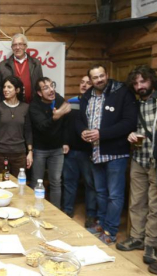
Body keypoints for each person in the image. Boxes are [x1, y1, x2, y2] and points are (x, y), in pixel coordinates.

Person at [76, 64, 137, 245]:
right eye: (95, 78)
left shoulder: (122, 92)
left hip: (116, 154)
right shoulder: (87, 96)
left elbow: (129, 123)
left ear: (107, 75)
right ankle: (101, 224)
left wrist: (101, 134)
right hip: (95, 152)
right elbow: (80, 120)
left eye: (102, 76)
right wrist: (82, 132)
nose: (99, 80)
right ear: (91, 80)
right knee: (100, 192)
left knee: (114, 195)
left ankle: (110, 230)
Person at [115, 65, 157, 266]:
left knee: (155, 206)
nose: (140, 86)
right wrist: (129, 135)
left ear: (151, 81)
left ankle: (151, 244)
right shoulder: (135, 104)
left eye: (144, 81)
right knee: (136, 202)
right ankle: (137, 237)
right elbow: (129, 126)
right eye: (137, 83)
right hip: (139, 158)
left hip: (155, 160)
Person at [0, 75, 33, 177]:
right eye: (4, 87)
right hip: (1, 153)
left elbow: (28, 131)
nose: (5, 90)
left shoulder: (25, 107)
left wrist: (30, 152)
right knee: (1, 185)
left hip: (19, 154)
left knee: (19, 185)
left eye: (9, 87)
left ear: (17, 90)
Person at [29, 77, 70, 209]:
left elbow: (65, 124)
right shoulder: (34, 106)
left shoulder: (59, 100)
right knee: (37, 182)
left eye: (52, 85)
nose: (51, 89)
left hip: (57, 149)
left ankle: (55, 211)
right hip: (40, 149)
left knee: (56, 182)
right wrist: (54, 117)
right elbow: (41, 126)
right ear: (40, 93)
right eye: (46, 88)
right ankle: (35, 210)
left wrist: (65, 142)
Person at [62, 76, 97, 227]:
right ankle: (67, 210)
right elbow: (64, 125)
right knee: (69, 182)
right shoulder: (70, 102)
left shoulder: (95, 103)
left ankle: (90, 214)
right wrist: (64, 142)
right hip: (71, 150)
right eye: (82, 82)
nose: (84, 85)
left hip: (88, 151)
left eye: (88, 83)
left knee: (90, 184)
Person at [0, 33, 43, 104]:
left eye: (20, 44)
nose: (17, 47)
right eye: (14, 45)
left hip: (32, 105)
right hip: (10, 107)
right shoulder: (3, 65)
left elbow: (40, 86)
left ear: (25, 46)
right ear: (12, 47)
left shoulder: (36, 64)